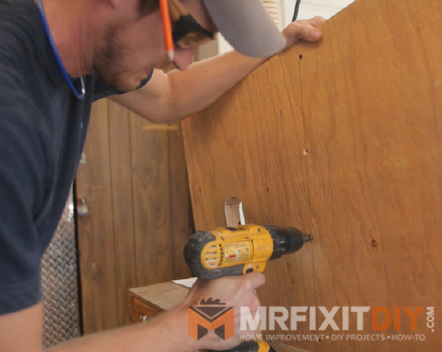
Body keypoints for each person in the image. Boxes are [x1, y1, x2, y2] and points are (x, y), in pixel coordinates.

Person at [0, 0, 324, 350]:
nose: (183, 61)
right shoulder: (9, 115)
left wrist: (282, 40)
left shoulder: (70, 52)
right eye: (187, 36)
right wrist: (195, 324)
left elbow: (170, 96)